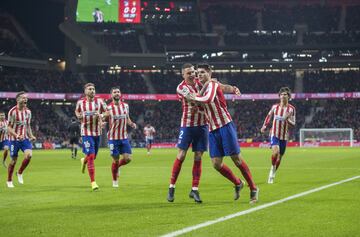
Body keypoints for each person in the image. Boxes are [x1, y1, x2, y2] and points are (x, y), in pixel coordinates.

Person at [167, 63, 240, 203]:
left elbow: (220, 86)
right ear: (183, 75)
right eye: (189, 73)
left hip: (203, 125)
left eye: (194, 72)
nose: (193, 74)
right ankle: (171, 187)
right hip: (187, 124)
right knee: (181, 155)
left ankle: (194, 190)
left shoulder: (201, 81)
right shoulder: (181, 88)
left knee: (198, 156)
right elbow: (195, 99)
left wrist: (233, 88)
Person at [188, 63, 259, 203]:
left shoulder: (212, 85)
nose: (199, 75)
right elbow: (207, 104)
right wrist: (232, 89)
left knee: (236, 159)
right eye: (198, 73)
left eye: (202, 72)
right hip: (213, 129)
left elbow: (207, 99)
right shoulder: (204, 87)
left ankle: (253, 188)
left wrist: (193, 98)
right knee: (216, 164)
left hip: (225, 125)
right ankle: (238, 183)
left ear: (209, 72)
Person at [75, 83, 107, 191]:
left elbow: (108, 112)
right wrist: (78, 116)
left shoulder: (100, 101)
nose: (92, 91)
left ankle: (84, 160)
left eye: (93, 89)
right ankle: (93, 182)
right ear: (85, 91)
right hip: (86, 132)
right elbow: (77, 111)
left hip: (97, 133)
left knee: (92, 157)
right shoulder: (80, 103)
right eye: (90, 89)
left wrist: (102, 116)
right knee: (92, 156)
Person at [261, 87, 296, 184]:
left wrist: (287, 119)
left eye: (285, 94)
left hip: (284, 136)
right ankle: (272, 168)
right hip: (274, 133)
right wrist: (264, 126)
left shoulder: (291, 109)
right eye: (282, 94)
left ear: (288, 97)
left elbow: (293, 124)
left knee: (280, 157)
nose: (283, 96)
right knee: (275, 153)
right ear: (279, 96)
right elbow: (268, 116)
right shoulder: (275, 107)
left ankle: (274, 172)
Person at [103, 87, 137, 188]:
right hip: (113, 138)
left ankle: (117, 167)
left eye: (118, 92)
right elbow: (104, 118)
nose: (117, 93)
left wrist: (132, 124)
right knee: (116, 160)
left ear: (120, 94)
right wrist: (101, 123)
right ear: (111, 95)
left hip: (123, 137)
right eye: (114, 92)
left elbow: (127, 118)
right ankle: (115, 181)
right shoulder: (108, 108)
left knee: (128, 159)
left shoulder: (126, 106)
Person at [6, 92, 36, 188]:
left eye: (26, 98)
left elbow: (28, 126)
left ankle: (19, 172)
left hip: (24, 139)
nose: (25, 99)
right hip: (13, 139)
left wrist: (31, 136)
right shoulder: (12, 112)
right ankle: (9, 180)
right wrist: (16, 135)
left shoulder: (28, 112)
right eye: (23, 98)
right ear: (18, 99)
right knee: (13, 160)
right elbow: (9, 128)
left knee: (29, 155)